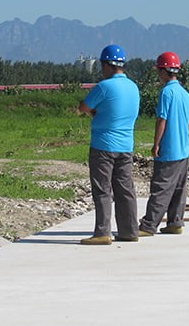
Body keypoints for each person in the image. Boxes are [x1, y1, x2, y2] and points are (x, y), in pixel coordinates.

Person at [77, 44, 140, 245]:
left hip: (103, 145)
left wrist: (95, 114)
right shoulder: (133, 87)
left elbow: (83, 107)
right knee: (125, 189)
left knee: (103, 190)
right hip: (126, 146)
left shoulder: (104, 87)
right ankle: (129, 230)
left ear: (106, 65)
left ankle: (103, 232)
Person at [139, 52, 189, 236]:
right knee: (179, 188)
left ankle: (148, 225)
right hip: (183, 148)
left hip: (169, 148)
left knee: (161, 187)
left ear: (163, 71)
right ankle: (175, 222)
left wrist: (156, 144)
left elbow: (162, 119)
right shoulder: (185, 93)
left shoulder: (166, 92)